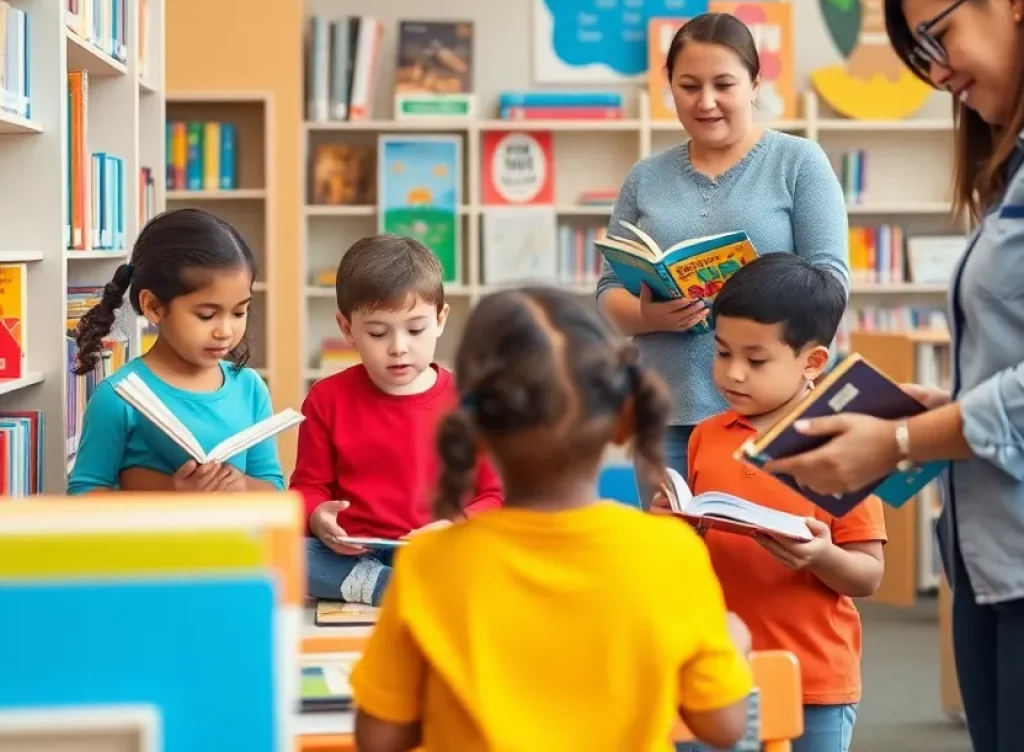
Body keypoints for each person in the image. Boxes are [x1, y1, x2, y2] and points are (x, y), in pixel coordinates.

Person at [762, 0, 1024, 752]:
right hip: (990, 560)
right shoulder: (1009, 165)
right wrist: (940, 404)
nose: (937, 72)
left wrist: (907, 444)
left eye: (938, 39)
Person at [350, 286, 754, 752]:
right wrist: (734, 639)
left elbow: (379, 738)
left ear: (474, 431)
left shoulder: (430, 563)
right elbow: (723, 727)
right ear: (623, 419)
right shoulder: (670, 553)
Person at [598, 12, 850, 489]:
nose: (706, 101)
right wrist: (652, 317)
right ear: (668, 85)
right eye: (688, 85)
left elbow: (830, 283)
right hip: (666, 412)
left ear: (755, 83)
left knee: (765, 555)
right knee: (670, 555)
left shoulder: (798, 163)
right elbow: (609, 293)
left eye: (724, 84)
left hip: (772, 413)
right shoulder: (645, 177)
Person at [672, 254, 886, 752]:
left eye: (756, 359)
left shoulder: (840, 441)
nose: (733, 374)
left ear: (812, 362)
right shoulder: (707, 436)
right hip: (723, 670)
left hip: (814, 678)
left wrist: (823, 556)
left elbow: (869, 574)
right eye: (722, 353)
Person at [289, 234, 502, 606]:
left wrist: (457, 524)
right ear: (346, 328)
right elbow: (308, 488)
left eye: (415, 330)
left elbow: (496, 496)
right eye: (377, 332)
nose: (399, 347)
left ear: (440, 320)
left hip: (441, 548)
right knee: (286, 555)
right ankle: (388, 585)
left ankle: (391, 585)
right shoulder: (326, 399)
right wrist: (318, 517)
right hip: (356, 555)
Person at [67, 208, 285, 494]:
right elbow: (83, 494)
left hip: (234, 538)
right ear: (154, 307)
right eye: (206, 315)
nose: (225, 331)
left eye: (239, 311)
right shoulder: (119, 396)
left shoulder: (250, 388)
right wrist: (171, 493)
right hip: (157, 539)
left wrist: (242, 485)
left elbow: (274, 488)